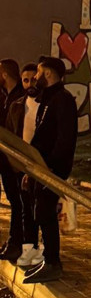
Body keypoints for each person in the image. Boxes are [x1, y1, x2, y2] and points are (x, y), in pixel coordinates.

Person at [22, 57, 78, 284]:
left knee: (45, 212)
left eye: (38, 73)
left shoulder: (62, 100)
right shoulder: (48, 99)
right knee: (40, 212)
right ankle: (49, 260)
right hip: (41, 167)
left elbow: (64, 138)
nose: (34, 78)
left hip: (52, 168)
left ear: (48, 74)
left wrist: (52, 167)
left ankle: (53, 263)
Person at [6, 63, 43, 269]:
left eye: (33, 79)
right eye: (25, 80)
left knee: (42, 212)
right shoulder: (17, 106)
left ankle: (44, 255)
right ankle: (28, 250)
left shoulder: (46, 105)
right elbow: (12, 136)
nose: (29, 84)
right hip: (20, 167)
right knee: (25, 211)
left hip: (41, 167)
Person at [0, 58, 26, 262]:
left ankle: (17, 243)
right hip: (5, 160)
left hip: (16, 161)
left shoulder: (20, 98)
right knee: (14, 201)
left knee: (19, 203)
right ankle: (13, 241)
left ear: (5, 75)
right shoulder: (5, 97)